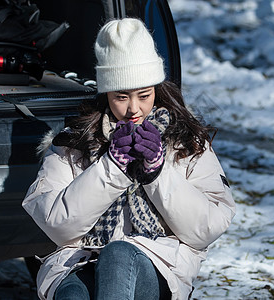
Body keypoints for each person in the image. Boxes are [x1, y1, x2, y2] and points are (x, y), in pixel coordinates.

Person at [22, 18, 236, 300]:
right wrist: (113, 166)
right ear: (106, 93)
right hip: (78, 261)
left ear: (157, 89)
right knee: (73, 295)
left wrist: (157, 171)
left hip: (158, 264)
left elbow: (206, 229)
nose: (134, 109)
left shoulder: (185, 140)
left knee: (119, 254)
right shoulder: (72, 141)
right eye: (121, 96)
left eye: (144, 95)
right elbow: (58, 226)